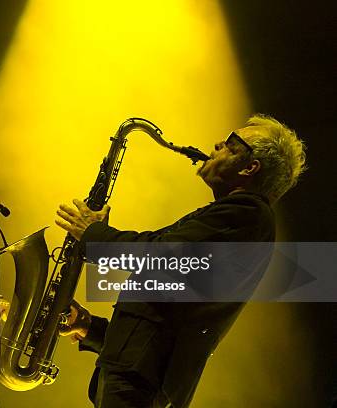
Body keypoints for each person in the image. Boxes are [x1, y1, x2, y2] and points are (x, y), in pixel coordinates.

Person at [56, 114, 306, 408]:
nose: (217, 144)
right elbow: (166, 318)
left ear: (250, 167)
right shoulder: (234, 218)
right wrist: (89, 328)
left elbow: (159, 254)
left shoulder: (247, 213)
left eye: (230, 145)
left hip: (140, 385)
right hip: (135, 378)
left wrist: (94, 234)